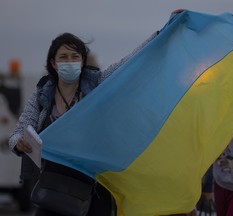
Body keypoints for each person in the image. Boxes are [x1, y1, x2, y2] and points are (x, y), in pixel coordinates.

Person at [8, 31, 158, 216]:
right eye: (63, 57)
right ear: (53, 63)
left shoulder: (97, 85)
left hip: (93, 189)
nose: (69, 61)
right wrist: (19, 143)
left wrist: (161, 33)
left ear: (82, 61)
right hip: (52, 188)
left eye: (75, 57)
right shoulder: (41, 95)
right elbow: (16, 134)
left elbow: (129, 63)